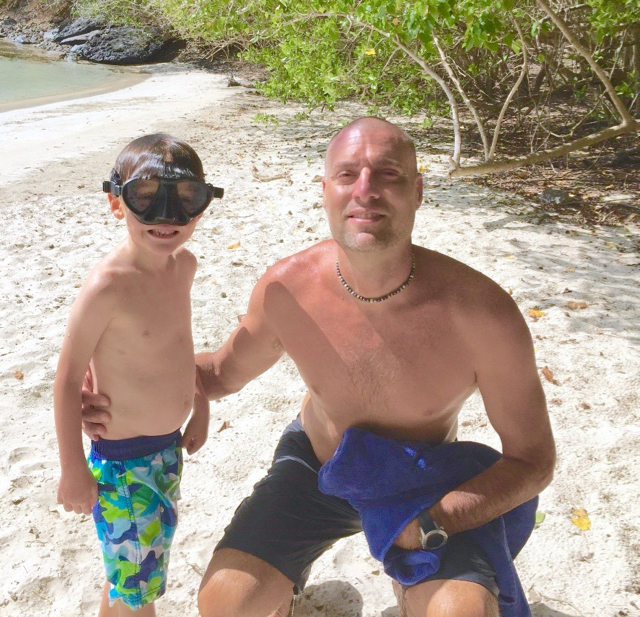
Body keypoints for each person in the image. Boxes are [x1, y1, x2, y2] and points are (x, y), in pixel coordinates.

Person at [83, 117, 556, 617]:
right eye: (348, 175)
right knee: (226, 603)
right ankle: (286, 591)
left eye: (389, 176)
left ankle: (410, 583)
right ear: (325, 189)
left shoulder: (481, 312)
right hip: (317, 466)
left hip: (422, 484)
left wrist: (430, 523)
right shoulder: (288, 288)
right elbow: (218, 373)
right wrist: (110, 382)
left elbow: (532, 460)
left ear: (417, 191)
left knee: (461, 613)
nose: (366, 192)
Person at [55, 133, 222, 616]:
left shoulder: (183, 266)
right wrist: (73, 468)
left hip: (167, 450)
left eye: (184, 200)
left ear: (202, 204)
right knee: (138, 593)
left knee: (131, 582)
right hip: (124, 464)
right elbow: (66, 379)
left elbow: (178, 348)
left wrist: (202, 407)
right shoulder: (108, 286)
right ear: (116, 202)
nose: (166, 218)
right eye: (145, 199)